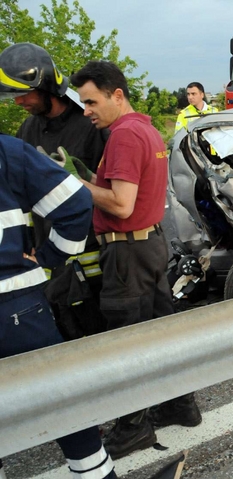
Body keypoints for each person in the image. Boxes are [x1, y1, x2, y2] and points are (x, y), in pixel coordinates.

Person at [69, 61, 201, 460]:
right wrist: (93, 178)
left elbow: (122, 204)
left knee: (126, 339)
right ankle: (180, 405)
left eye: (91, 101)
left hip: (127, 251)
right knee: (158, 331)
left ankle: (133, 429)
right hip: (151, 245)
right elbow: (131, 190)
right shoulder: (145, 128)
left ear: (117, 95)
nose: (86, 110)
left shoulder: (123, 135)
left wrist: (73, 183)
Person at [0, 131, 116, 478]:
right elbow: (75, 202)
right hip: (14, 306)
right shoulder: (7, 151)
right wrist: (49, 259)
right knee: (62, 406)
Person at [0, 43, 107, 335]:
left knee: (96, 330)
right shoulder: (27, 131)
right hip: (47, 258)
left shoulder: (90, 127)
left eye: (23, 93)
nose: (18, 102)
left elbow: (109, 191)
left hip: (93, 261)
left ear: (46, 85)